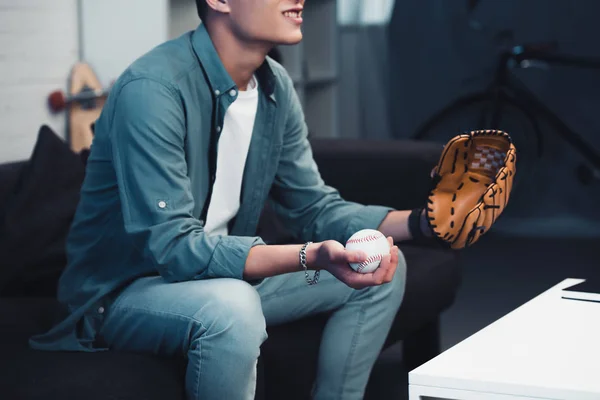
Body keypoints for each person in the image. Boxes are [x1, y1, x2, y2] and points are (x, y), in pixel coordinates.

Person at [30, 1, 435, 399]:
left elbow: (313, 208)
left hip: (218, 279)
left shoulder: (275, 87)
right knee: (234, 307)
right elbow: (172, 248)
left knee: (381, 271)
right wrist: (310, 256)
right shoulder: (152, 89)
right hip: (123, 295)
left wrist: (426, 221)